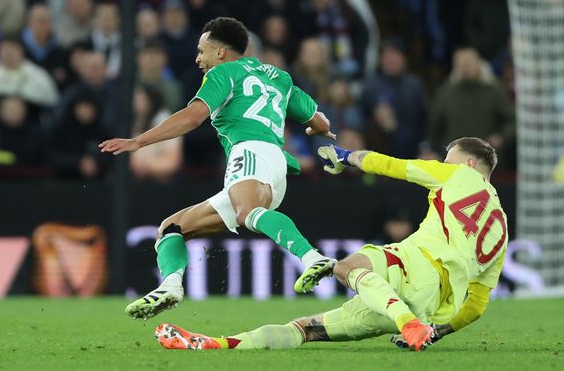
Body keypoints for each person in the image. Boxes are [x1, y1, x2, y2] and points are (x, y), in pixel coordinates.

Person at [156, 137, 508, 352]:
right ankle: (218, 343)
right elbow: (476, 306)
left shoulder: (459, 175)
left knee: (346, 266)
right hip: (432, 306)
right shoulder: (502, 230)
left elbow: (395, 167)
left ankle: (406, 322)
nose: (441, 167)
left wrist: (347, 156)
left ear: (469, 163)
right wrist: (437, 330)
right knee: (307, 329)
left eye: (447, 161)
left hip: (416, 264)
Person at [100, 17, 337, 320]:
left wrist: (138, 141)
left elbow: (192, 117)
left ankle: (313, 257)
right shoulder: (279, 77)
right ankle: (171, 286)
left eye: (202, 51)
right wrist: (319, 131)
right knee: (171, 229)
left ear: (221, 52)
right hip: (274, 161)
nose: (198, 58)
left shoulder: (222, 74)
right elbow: (320, 121)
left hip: (249, 153)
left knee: (247, 212)